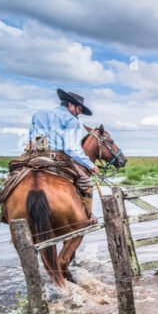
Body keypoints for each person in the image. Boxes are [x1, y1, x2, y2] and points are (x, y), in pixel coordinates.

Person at [28, 88, 100, 223]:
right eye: (79, 109)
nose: (79, 113)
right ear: (70, 105)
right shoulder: (71, 120)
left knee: (14, 174)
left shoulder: (38, 114)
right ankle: (87, 217)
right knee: (85, 182)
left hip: (37, 154)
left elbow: (35, 138)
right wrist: (90, 165)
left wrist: (42, 149)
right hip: (58, 157)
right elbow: (70, 148)